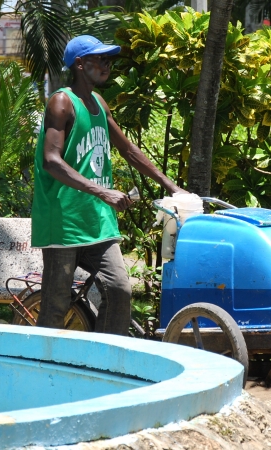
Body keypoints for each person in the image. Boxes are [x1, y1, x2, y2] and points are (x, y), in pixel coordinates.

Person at [31, 35, 185, 335]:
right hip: (64, 222)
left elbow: (129, 150)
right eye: (99, 59)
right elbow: (51, 160)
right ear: (79, 64)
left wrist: (171, 186)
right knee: (56, 304)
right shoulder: (62, 102)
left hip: (97, 222)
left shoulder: (99, 103)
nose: (106, 64)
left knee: (119, 291)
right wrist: (104, 192)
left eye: (108, 59)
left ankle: (102, 366)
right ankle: (40, 372)